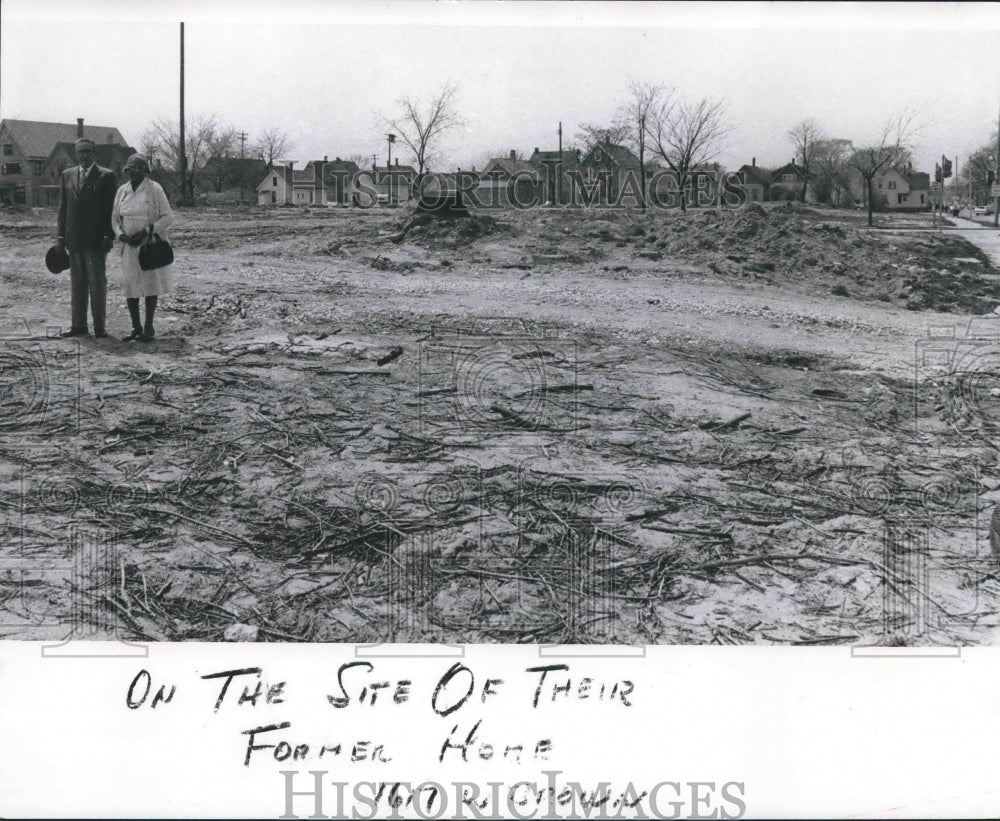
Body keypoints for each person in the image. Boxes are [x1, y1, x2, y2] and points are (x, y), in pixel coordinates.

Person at [56, 137, 118, 338]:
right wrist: (59, 237)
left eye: (88, 151)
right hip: (73, 239)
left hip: (96, 240)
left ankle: (99, 328)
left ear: (94, 153)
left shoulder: (106, 176)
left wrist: (109, 236)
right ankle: (78, 326)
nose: (84, 155)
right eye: (80, 151)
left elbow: (111, 210)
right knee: (77, 284)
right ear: (76, 153)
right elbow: (63, 208)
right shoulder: (67, 175)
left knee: (97, 284)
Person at [112, 154, 174, 342]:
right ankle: (135, 326)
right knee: (131, 285)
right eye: (131, 167)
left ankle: (149, 326)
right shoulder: (122, 191)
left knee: (149, 284)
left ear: (146, 170)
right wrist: (119, 234)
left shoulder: (155, 189)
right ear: (126, 170)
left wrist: (147, 231)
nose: (134, 170)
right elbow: (114, 218)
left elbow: (167, 217)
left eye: (139, 167)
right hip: (128, 247)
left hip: (148, 244)